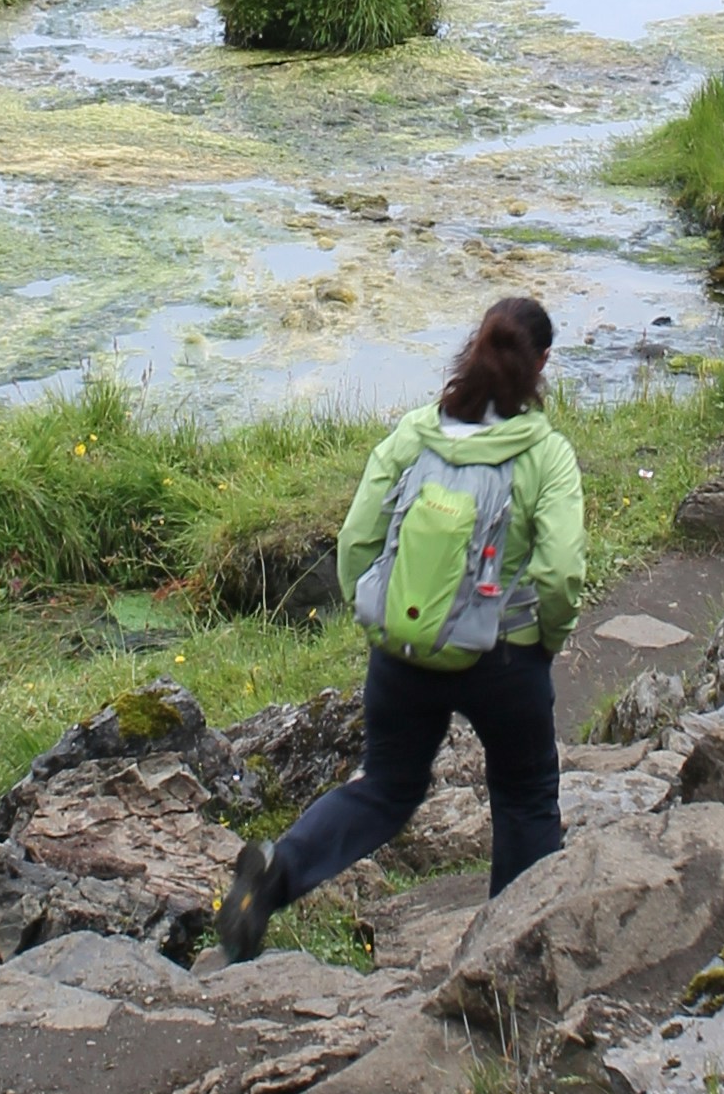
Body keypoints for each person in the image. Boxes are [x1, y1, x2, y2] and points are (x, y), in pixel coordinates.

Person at [216, 296, 585, 959]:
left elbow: (359, 535)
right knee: (526, 796)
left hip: (403, 653)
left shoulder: (418, 431)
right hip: (504, 660)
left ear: (472, 348)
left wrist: (383, 620)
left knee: (386, 784)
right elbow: (558, 575)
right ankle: (507, 961)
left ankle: (277, 873)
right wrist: (544, 640)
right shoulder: (545, 454)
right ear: (543, 365)